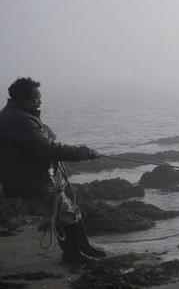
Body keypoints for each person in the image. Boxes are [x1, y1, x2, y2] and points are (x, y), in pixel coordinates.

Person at [0, 77, 106, 265]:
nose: (40, 101)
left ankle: (84, 247)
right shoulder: (19, 120)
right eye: (36, 98)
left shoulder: (16, 114)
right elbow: (45, 149)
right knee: (66, 213)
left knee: (68, 208)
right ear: (23, 98)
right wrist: (82, 152)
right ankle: (73, 256)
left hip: (28, 175)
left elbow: (40, 144)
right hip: (28, 180)